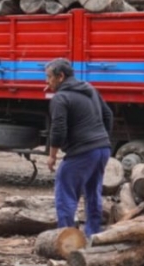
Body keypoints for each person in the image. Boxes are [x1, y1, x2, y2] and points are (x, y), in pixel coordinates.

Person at [43, 58, 113, 238]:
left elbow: (58, 129)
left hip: (83, 151)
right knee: (93, 190)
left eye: (49, 77)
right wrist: (100, 137)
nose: (46, 82)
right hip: (102, 148)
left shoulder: (61, 98)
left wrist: (52, 155)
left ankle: (66, 235)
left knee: (65, 190)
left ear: (60, 77)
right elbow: (108, 115)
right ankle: (93, 235)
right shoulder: (89, 89)